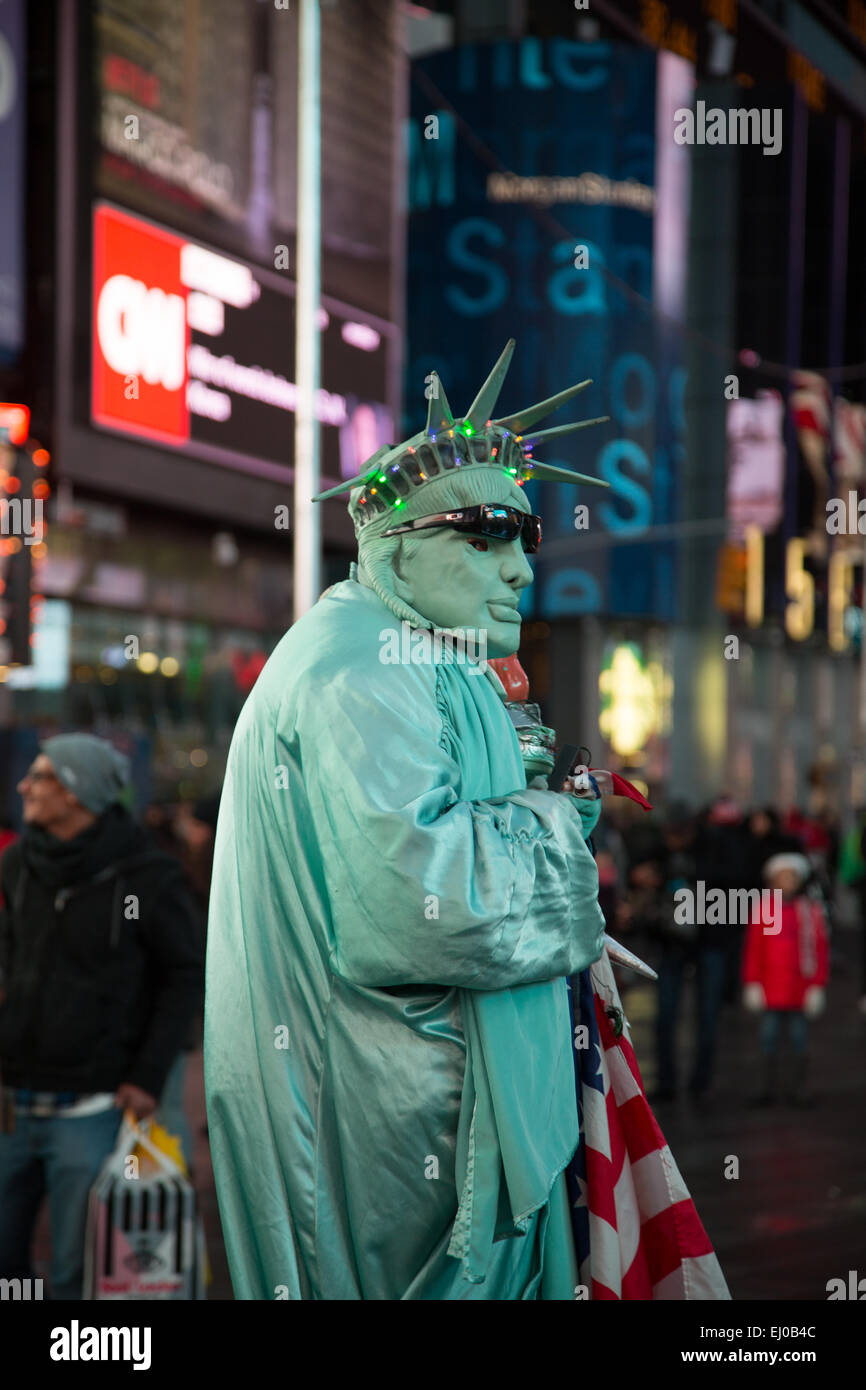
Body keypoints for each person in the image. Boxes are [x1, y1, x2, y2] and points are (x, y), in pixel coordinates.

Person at [205, 342, 729, 1300]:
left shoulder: (417, 654)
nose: (522, 569)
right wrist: (554, 824)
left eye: (524, 538)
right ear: (394, 546)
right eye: (484, 537)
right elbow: (420, 898)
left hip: (440, 1125)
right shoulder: (360, 669)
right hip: (395, 1137)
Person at [0, 734, 204, 1299]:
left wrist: (147, 1074)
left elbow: (184, 976)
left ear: (75, 790)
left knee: (74, 1267)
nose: (24, 785)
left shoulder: (146, 876)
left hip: (93, 1107)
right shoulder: (17, 865)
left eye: (39, 776)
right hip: (10, 1103)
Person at [741, 852, 829, 1106]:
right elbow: (754, 948)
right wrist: (752, 982)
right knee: (767, 1039)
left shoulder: (811, 912)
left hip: (800, 989)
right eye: (782, 877)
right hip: (770, 988)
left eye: (792, 877)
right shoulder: (764, 909)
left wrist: (817, 985)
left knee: (799, 1040)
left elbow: (820, 950)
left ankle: (797, 1089)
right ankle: (767, 1088)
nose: (787, 882)